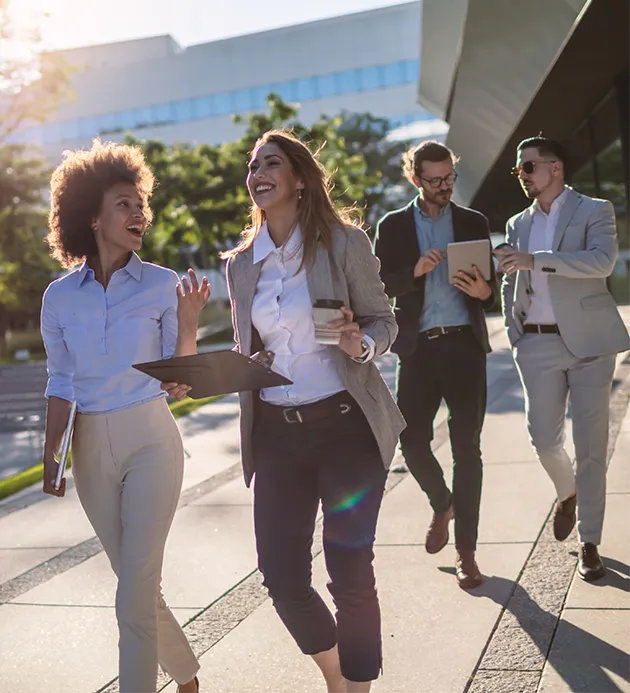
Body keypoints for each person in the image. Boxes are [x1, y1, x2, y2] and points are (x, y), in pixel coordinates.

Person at [222, 129, 405, 693]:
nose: (258, 174)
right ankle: (337, 676)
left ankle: (359, 687)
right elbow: (246, 349)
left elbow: (383, 321)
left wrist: (361, 344)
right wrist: (216, 370)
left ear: (299, 178)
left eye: (270, 163)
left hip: (346, 426)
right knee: (281, 576)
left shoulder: (343, 242)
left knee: (349, 571)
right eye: (252, 167)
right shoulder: (240, 265)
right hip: (277, 436)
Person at [40, 141, 210, 693]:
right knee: (135, 584)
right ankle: (185, 675)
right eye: (124, 204)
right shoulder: (58, 298)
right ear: (90, 216)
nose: (139, 215)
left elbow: (177, 381)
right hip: (89, 447)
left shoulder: (164, 284)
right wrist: (52, 453)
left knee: (133, 587)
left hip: (150, 440)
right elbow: (61, 380)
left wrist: (187, 320)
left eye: (142, 205)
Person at [496, 135, 630, 582]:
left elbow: (601, 263)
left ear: (554, 167)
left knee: (591, 446)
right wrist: (514, 330)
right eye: (518, 170)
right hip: (535, 343)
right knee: (543, 439)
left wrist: (537, 259)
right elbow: (512, 276)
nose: (521, 175)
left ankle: (588, 541)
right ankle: (567, 490)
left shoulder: (595, 210)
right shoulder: (517, 222)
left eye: (527, 167)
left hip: (590, 343)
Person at [373, 141, 497, 589]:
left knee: (468, 450)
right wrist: (417, 272)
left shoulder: (473, 222)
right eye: (435, 180)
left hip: (465, 347)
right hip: (419, 349)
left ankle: (467, 552)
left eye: (449, 178)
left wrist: (484, 292)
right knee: (410, 439)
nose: (444, 187)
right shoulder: (392, 226)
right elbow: (381, 283)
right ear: (415, 179)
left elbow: (492, 292)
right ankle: (443, 502)